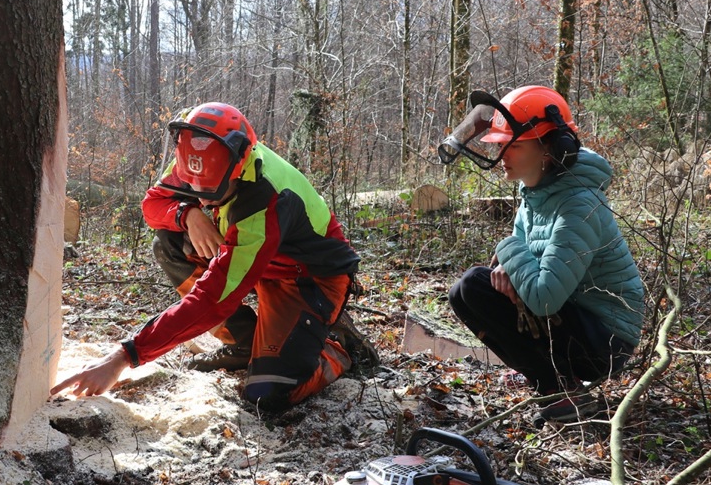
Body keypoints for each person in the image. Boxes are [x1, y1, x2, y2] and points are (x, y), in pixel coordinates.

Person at [51, 102, 377, 413]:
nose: (205, 199)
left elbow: (213, 299)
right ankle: (243, 342)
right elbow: (153, 205)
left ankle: (338, 347)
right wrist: (188, 214)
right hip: (256, 261)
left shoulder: (265, 200)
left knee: (270, 393)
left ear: (238, 164)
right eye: (195, 190)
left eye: (214, 194)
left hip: (308, 277)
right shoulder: (198, 153)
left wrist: (123, 357)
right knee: (169, 243)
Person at [438, 85, 644, 425]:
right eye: (501, 144)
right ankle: (555, 386)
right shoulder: (535, 192)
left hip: (605, 339)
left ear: (550, 148)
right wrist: (511, 264)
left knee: (474, 283)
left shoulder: (579, 205)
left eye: (514, 145)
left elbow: (544, 298)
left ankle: (562, 389)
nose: (503, 153)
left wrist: (507, 248)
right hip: (574, 318)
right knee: (464, 293)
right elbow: (524, 266)